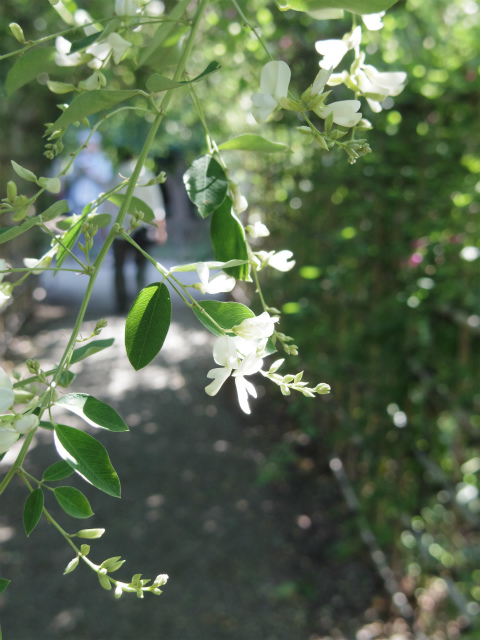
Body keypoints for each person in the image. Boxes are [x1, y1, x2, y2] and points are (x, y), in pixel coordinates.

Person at [111, 156, 167, 312]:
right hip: (142, 226)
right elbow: (157, 205)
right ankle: (141, 304)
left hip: (119, 227)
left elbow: (110, 201)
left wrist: (105, 227)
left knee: (119, 266)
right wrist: (160, 228)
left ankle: (121, 304)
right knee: (141, 267)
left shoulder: (118, 172)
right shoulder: (147, 173)